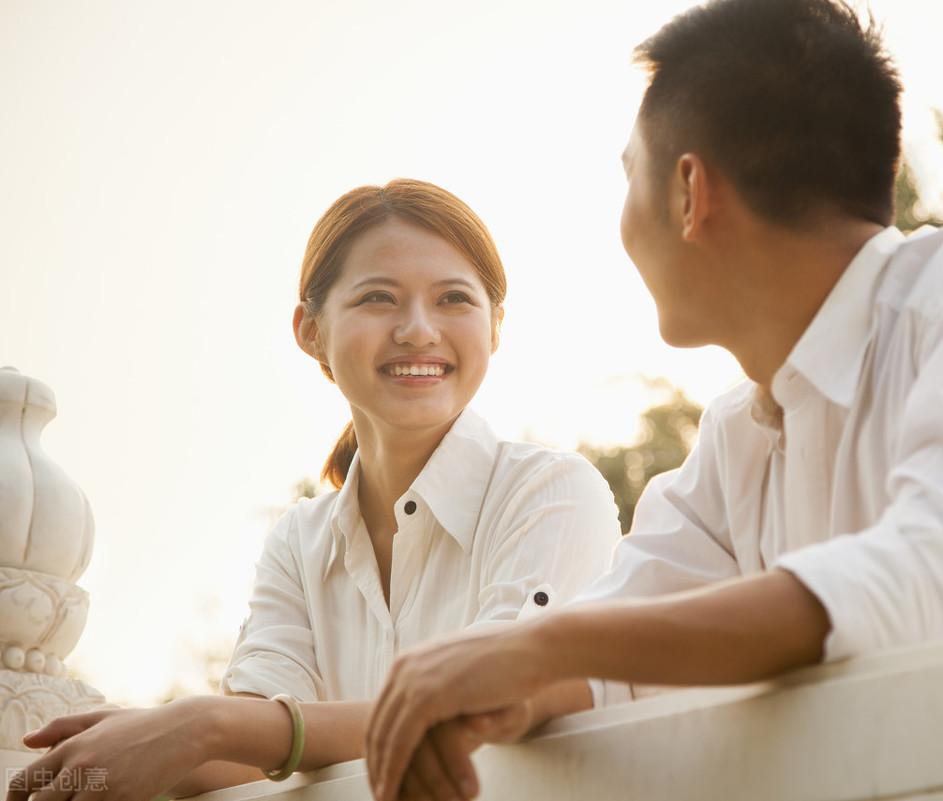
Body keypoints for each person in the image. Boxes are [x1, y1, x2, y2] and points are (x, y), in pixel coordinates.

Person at [361, 1, 943, 799]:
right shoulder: (739, 432)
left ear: (688, 191)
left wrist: (538, 647)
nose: (622, 221)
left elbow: (930, 570)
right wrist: (489, 696)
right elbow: (613, 660)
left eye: (628, 173)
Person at [6, 179, 620, 800]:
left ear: (494, 328)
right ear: (310, 331)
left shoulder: (551, 495)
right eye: (379, 298)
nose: (417, 330)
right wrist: (110, 747)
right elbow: (250, 752)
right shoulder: (299, 541)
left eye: (454, 299)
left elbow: (487, 702)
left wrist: (201, 724)